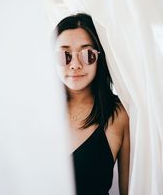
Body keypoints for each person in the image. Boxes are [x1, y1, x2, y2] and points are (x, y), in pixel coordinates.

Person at [54, 13, 130, 195]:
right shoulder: (35, 110)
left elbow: (131, 190)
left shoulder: (119, 115)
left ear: (100, 57)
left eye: (87, 54)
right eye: (65, 55)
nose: (75, 65)